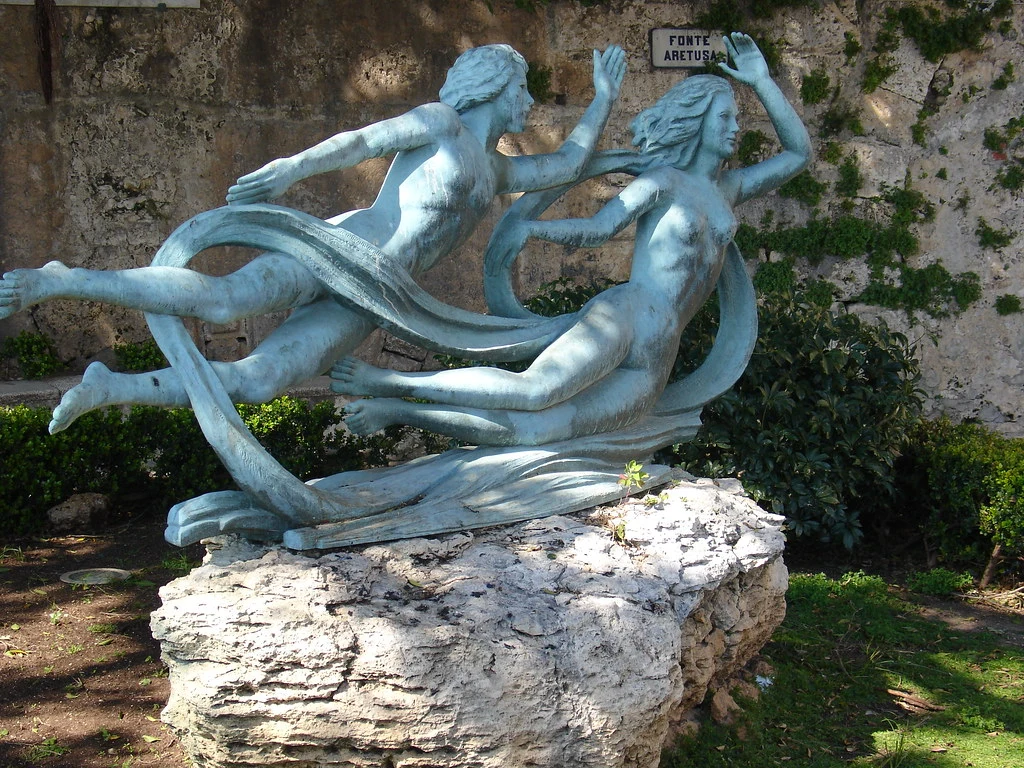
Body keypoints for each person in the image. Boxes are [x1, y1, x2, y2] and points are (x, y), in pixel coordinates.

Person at [0, 44, 625, 434]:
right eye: (522, 88)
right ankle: (61, 280)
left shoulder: (497, 171)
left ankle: (111, 387)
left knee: (261, 380)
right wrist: (292, 169)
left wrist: (603, 99)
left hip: (379, 294)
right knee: (223, 299)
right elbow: (363, 141)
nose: (529, 100)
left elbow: (568, 164)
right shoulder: (442, 124)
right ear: (494, 86)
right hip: (343, 249)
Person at [331, 33, 811, 446]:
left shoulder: (730, 189)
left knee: (537, 432)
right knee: (534, 391)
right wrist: (531, 229)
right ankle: (390, 382)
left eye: (736, 119)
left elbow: (798, 154)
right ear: (698, 121)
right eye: (725, 117)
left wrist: (761, 81)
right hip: (627, 314)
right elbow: (599, 228)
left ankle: (399, 411)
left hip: (662, 347)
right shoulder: (663, 181)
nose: (735, 128)